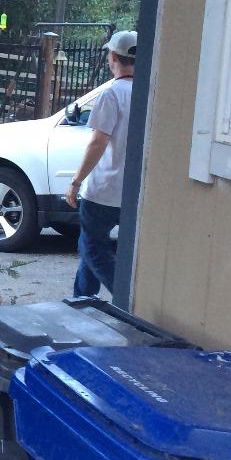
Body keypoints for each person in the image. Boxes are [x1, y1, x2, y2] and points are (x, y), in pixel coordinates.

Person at [64, 30, 138, 297]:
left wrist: (76, 181)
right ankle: (83, 301)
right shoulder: (146, 93)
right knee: (90, 249)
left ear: (113, 58)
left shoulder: (111, 94)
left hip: (103, 191)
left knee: (92, 249)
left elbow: (98, 142)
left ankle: (125, 297)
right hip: (132, 192)